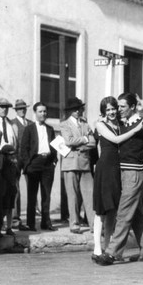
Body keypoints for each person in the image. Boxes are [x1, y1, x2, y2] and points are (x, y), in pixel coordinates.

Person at [96, 93, 143, 266]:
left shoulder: (142, 124)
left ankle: (112, 253)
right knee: (137, 214)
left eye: (122, 107)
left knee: (123, 213)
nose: (118, 110)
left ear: (132, 107)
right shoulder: (122, 123)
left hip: (134, 174)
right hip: (122, 173)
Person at [91, 96, 143, 263]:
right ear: (103, 112)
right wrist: (136, 130)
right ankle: (97, 248)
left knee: (113, 209)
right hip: (105, 167)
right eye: (108, 110)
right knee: (101, 210)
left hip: (117, 168)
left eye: (113, 108)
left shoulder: (120, 124)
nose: (112, 112)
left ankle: (109, 247)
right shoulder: (100, 124)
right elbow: (115, 140)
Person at [60, 97, 96, 234]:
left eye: (78, 108)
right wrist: (85, 139)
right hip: (70, 164)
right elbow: (68, 141)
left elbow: (93, 143)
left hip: (84, 163)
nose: (77, 111)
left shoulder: (85, 124)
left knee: (90, 194)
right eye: (73, 109)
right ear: (69, 111)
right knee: (73, 195)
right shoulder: (64, 124)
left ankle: (94, 224)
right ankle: (74, 224)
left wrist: (81, 145)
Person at [20, 102, 58, 232]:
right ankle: (30, 223)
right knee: (32, 195)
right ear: (35, 113)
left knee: (46, 195)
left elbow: (54, 147)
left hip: (47, 163)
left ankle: (46, 222)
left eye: (45, 111)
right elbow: (24, 149)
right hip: (34, 164)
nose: (43, 114)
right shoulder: (29, 129)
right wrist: (28, 165)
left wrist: (54, 161)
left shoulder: (50, 129)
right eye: (40, 111)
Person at [11, 99, 33, 229]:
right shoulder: (12, 123)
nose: (22, 110)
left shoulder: (31, 124)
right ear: (16, 110)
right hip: (16, 159)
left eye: (24, 108)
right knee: (15, 188)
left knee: (32, 187)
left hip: (29, 160)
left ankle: (31, 219)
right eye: (20, 109)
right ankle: (15, 218)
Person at [0, 144, 19, 237]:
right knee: (4, 209)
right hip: (4, 190)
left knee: (10, 208)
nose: (12, 156)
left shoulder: (13, 164)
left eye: (13, 154)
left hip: (12, 189)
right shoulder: (2, 164)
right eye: (10, 155)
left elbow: (17, 175)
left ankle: (9, 227)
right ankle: (0, 226)